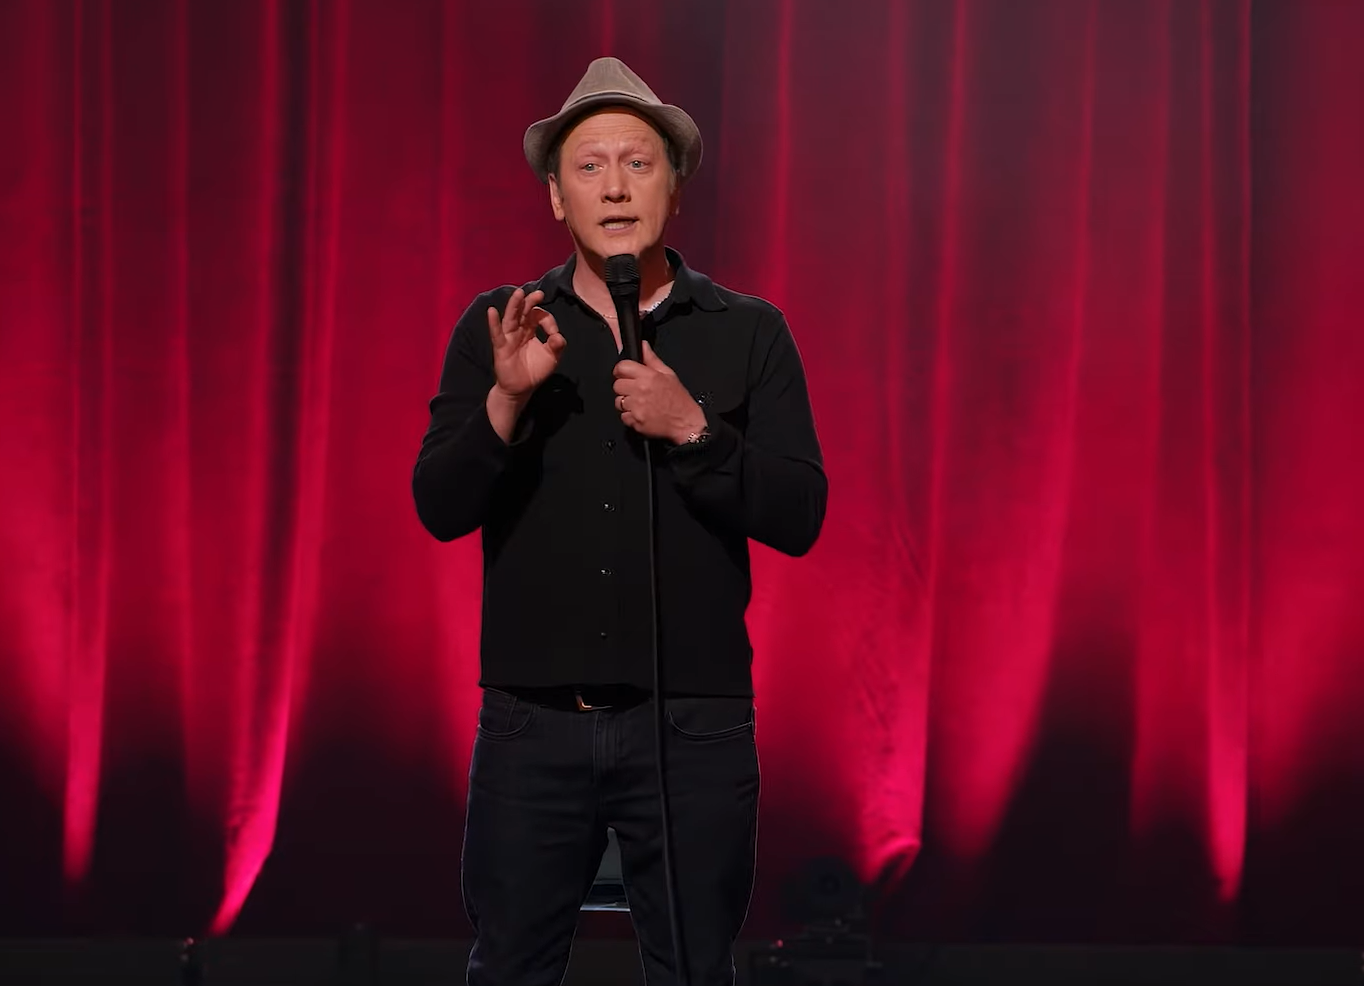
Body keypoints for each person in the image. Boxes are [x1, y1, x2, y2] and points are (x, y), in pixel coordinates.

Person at [412, 56, 827, 986]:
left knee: (693, 967)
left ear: (674, 188)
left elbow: (801, 514)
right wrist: (506, 407)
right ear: (557, 198)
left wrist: (695, 431)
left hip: (692, 726)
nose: (614, 187)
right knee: (510, 966)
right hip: (532, 724)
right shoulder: (504, 326)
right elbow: (439, 505)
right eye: (589, 166)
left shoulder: (747, 331)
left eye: (638, 164)